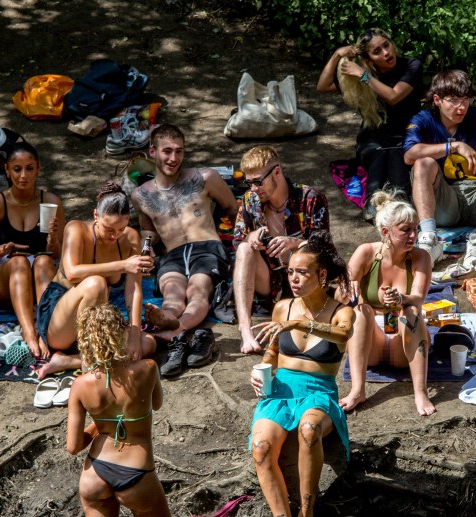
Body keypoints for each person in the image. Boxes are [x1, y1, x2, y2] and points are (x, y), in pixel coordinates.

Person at [248, 231, 354, 517]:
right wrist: (259, 371)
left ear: (322, 275)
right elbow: (271, 352)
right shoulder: (282, 307)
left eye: (302, 273)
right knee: (262, 447)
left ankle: (306, 515)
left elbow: (343, 335)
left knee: (309, 429)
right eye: (290, 272)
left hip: (319, 391)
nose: (293, 279)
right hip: (279, 390)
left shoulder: (340, 312)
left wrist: (303, 323)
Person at [65, 304, 182, 517]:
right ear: (120, 334)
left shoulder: (80, 385)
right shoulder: (147, 369)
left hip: (96, 471)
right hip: (137, 473)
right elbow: (155, 404)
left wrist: (99, 426)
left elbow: (73, 446)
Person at [131, 124, 238, 377]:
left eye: (179, 151)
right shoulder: (140, 195)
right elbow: (149, 232)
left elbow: (233, 209)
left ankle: (176, 329)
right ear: (152, 152)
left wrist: (238, 244)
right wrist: (145, 250)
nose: (173, 158)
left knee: (198, 290)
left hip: (207, 248)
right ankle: (167, 317)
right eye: (167, 151)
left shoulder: (205, 177)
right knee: (172, 293)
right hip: (172, 255)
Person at [403, 70, 476, 274]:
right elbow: (409, 154)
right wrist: (453, 146)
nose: (462, 107)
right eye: (454, 100)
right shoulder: (423, 119)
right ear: (437, 100)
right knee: (422, 164)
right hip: (444, 199)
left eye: (466, 100)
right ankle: (430, 240)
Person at [35, 183, 157, 379]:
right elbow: (73, 272)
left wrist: (134, 334)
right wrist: (123, 265)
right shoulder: (76, 229)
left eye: (121, 229)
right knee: (96, 283)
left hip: (96, 320)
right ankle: (89, 355)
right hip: (61, 320)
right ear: (96, 215)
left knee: (147, 343)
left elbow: (133, 290)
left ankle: (70, 360)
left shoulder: (131, 238)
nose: (114, 235)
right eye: (109, 229)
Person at [339, 190, 435, 415]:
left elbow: (419, 298)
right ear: (386, 232)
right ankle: (357, 390)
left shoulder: (421, 257)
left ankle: (420, 392)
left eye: (415, 229)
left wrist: (401, 299)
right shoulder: (366, 253)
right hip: (371, 340)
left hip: (402, 338)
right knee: (361, 310)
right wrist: (347, 288)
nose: (413, 235)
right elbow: (339, 298)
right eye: (406, 230)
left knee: (411, 311)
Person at [232, 146, 330, 354]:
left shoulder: (310, 198)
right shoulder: (251, 200)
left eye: (258, 181)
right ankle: (245, 328)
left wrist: (295, 243)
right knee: (243, 250)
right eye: (248, 182)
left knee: (306, 251)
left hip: (304, 278)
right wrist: (251, 238)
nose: (254, 188)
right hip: (269, 280)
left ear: (277, 171)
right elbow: (237, 240)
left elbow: (324, 248)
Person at [317, 28, 423, 217]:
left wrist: (363, 75)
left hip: (406, 137)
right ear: (368, 58)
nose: (386, 53)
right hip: (373, 140)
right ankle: (372, 201)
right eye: (377, 52)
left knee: (396, 153)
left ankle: (399, 203)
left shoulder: (411, 66)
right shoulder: (364, 74)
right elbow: (323, 86)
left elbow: (394, 96)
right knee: (378, 152)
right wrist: (336, 55)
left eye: (386, 45)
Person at [0, 141, 65, 360]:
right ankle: (29, 331)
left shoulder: (51, 202)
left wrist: (53, 238)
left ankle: (45, 329)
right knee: (18, 262)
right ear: (7, 170)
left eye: (29, 168)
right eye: (17, 169)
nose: (23, 175)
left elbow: (57, 254)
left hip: (38, 274)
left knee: (44, 261)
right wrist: (1, 249)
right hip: (3, 276)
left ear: (38, 169)